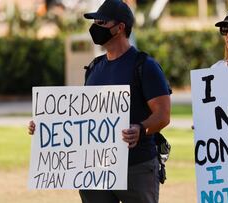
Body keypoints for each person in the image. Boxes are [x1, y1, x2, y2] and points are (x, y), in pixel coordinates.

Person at [28, 0, 171, 202]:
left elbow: (163, 115)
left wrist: (140, 128)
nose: (95, 27)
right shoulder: (94, 68)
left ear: (120, 28)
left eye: (101, 22)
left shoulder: (145, 66)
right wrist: (45, 125)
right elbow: (83, 117)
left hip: (136, 167)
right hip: (95, 169)